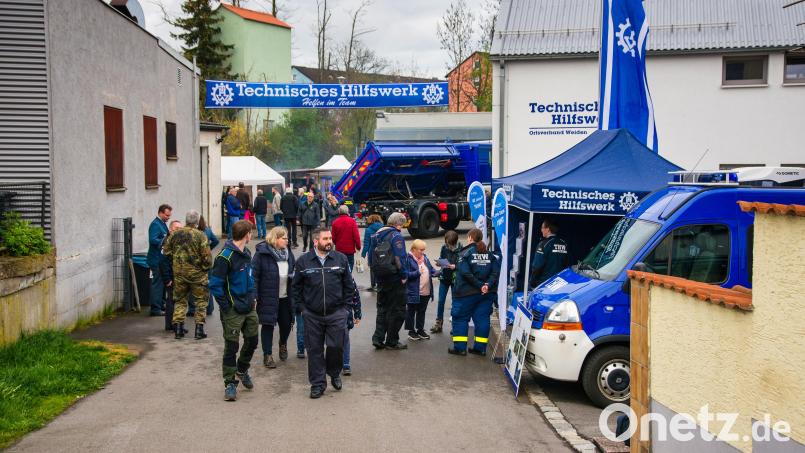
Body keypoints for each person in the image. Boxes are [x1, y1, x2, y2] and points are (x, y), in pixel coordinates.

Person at [291, 228, 355, 399]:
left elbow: (349, 286)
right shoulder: (303, 262)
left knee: (336, 347)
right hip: (312, 314)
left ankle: (334, 373)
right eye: (325, 238)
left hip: (336, 313)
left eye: (330, 238)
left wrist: (346, 309)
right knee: (315, 350)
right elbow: (296, 288)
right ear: (316, 241)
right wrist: (302, 309)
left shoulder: (340, 259)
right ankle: (318, 384)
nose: (329, 241)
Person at [209, 220, 258, 402]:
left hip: (249, 306)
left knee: (253, 340)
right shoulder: (224, 257)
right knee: (231, 346)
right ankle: (229, 383)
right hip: (233, 310)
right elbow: (215, 285)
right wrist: (227, 307)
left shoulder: (246, 252)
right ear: (247, 235)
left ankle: (242, 368)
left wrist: (252, 296)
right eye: (250, 233)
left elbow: (250, 277)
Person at [162, 210, 212, 340]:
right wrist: (205, 268)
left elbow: (166, 251)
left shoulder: (175, 235)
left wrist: (177, 262)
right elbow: (207, 257)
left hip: (179, 273)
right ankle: (199, 329)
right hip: (197, 274)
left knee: (180, 300)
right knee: (201, 301)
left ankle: (178, 328)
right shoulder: (201, 235)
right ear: (196, 221)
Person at [449, 228, 499, 356]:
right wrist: (486, 285)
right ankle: (480, 348)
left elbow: (465, 273)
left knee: (460, 318)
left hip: (466, 293)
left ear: (470, 238)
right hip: (486, 294)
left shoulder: (465, 253)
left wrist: (480, 285)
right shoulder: (490, 255)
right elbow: (495, 273)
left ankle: (460, 348)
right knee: (482, 319)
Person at [253, 226, 296, 369]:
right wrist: (255, 296)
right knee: (268, 325)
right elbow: (255, 277)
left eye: (287, 238)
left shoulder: (288, 253)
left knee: (286, 324)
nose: (287, 241)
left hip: (285, 297)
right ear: (275, 238)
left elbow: (294, 271)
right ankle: (268, 355)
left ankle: (282, 343)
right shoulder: (262, 254)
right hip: (268, 296)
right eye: (284, 238)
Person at [370, 212, 409, 350]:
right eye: (402, 225)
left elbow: (370, 258)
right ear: (398, 224)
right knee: (397, 310)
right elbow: (400, 258)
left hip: (380, 277)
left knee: (382, 308)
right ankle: (392, 341)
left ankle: (378, 338)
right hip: (394, 278)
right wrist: (404, 275)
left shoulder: (375, 235)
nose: (402, 227)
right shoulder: (396, 236)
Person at [404, 239, 440, 341]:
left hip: (426, 291)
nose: (423, 252)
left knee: (422, 311)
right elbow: (405, 275)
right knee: (411, 312)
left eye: (424, 250)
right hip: (413, 292)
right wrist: (417, 273)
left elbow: (431, 271)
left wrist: (440, 271)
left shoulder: (425, 258)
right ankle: (411, 332)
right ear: (414, 249)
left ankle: (420, 330)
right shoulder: (408, 259)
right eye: (421, 250)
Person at [431, 230, 461, 334]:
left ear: (454, 242)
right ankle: (438, 324)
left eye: (449, 243)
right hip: (444, 277)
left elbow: (463, 265)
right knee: (440, 301)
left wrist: (455, 266)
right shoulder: (444, 248)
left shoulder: (461, 249)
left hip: (454, 278)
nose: (447, 245)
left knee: (455, 302)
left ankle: (455, 325)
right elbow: (442, 258)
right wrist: (440, 263)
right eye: (446, 242)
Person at [189, 215, 218, 318]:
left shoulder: (194, 233)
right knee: (207, 284)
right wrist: (209, 249)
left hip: (196, 262)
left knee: (194, 284)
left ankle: (192, 309)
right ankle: (209, 308)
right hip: (208, 261)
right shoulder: (207, 230)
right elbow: (216, 241)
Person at [530, 219, 570, 288]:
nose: (541, 230)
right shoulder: (564, 243)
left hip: (544, 284)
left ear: (548, 229)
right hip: (560, 284)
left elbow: (537, 266)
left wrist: (532, 282)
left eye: (542, 228)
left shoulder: (543, 244)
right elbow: (569, 264)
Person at [147, 204, 172, 316]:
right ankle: (155, 308)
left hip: (161, 259)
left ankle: (161, 305)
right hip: (156, 259)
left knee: (162, 283)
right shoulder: (155, 225)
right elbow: (153, 240)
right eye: (167, 215)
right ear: (161, 213)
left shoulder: (162, 224)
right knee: (157, 284)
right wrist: (165, 241)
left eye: (169, 215)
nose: (168, 217)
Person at [162, 220, 182, 332]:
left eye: (180, 229)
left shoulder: (176, 241)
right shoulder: (167, 242)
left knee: (175, 300)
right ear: (171, 229)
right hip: (171, 276)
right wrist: (167, 278)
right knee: (171, 301)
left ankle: (174, 324)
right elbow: (163, 261)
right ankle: (171, 325)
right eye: (176, 229)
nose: (179, 231)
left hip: (177, 275)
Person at [331, 205, 361, 271]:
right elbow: (356, 236)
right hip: (350, 249)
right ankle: (348, 277)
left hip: (339, 249)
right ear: (347, 212)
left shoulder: (335, 222)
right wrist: (358, 246)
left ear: (339, 212)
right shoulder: (352, 221)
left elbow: (333, 237)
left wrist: (336, 243)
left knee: (340, 265)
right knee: (350, 264)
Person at [342, 275, 362, 376]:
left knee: (345, 338)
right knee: (333, 340)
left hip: (345, 312)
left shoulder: (347, 275)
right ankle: (338, 363)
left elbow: (355, 295)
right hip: (330, 312)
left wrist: (357, 313)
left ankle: (345, 364)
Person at [361, 214, 384, 291]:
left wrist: (364, 253)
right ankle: (381, 284)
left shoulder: (368, 230)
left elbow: (366, 242)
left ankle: (373, 285)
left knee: (373, 268)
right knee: (381, 267)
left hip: (372, 252)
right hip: (382, 251)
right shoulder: (383, 228)